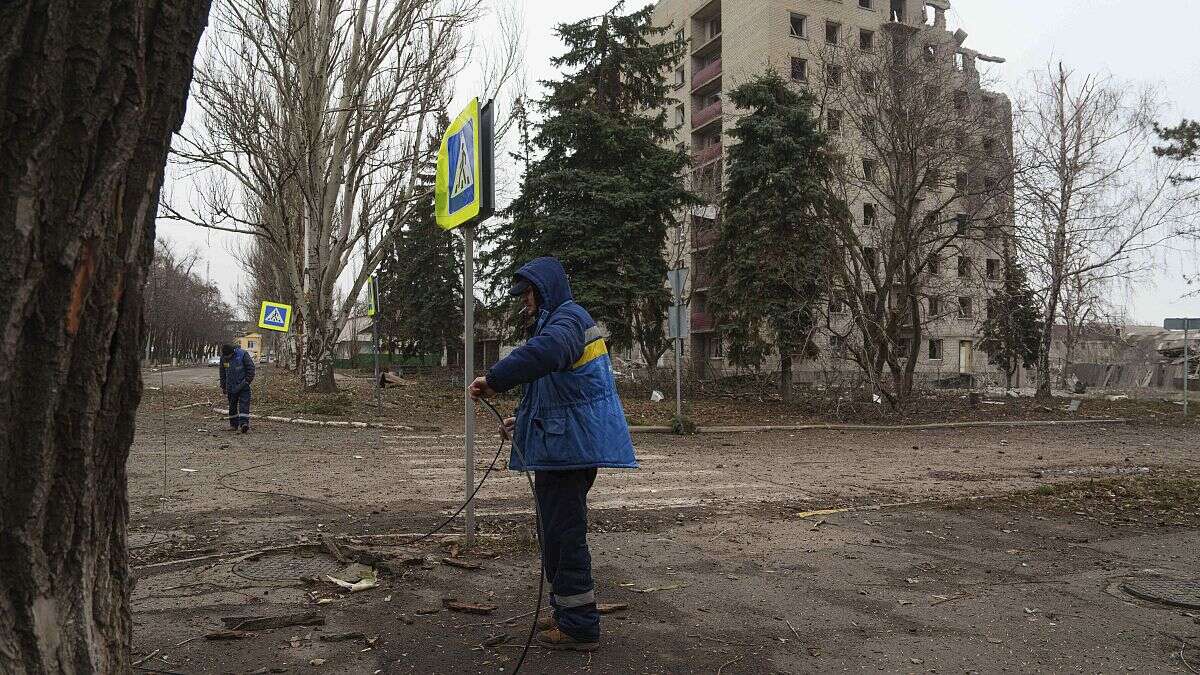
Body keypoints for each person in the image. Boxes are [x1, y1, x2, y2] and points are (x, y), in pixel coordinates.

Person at [469, 256, 637, 652]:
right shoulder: (558, 322)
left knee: (565, 536)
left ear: (544, 290)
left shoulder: (567, 321)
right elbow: (555, 393)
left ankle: (579, 626)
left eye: (527, 293)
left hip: (569, 451)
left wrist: (494, 379)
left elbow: (546, 355)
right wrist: (519, 422)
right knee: (556, 536)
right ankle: (567, 612)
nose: (523, 301)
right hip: (562, 447)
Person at [219, 343, 255, 433]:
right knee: (232, 406)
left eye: (229, 356)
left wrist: (247, 381)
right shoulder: (223, 358)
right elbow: (222, 372)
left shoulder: (242, 354)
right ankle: (233, 425)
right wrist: (223, 386)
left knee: (244, 404)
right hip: (230, 386)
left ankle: (244, 424)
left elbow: (251, 368)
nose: (227, 358)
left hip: (243, 385)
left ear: (233, 352)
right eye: (225, 356)